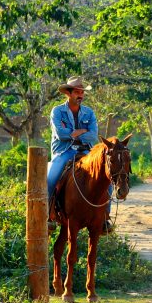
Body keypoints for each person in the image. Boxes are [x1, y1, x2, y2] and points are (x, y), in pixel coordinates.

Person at [48, 76, 108, 228]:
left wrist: (73, 133)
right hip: (64, 152)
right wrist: (82, 131)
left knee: (107, 178)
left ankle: (105, 218)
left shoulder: (89, 113)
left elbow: (93, 135)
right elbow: (60, 134)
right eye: (77, 91)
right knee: (50, 179)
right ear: (68, 93)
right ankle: (48, 215)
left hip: (86, 152)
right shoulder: (57, 111)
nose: (80, 95)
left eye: (82, 92)